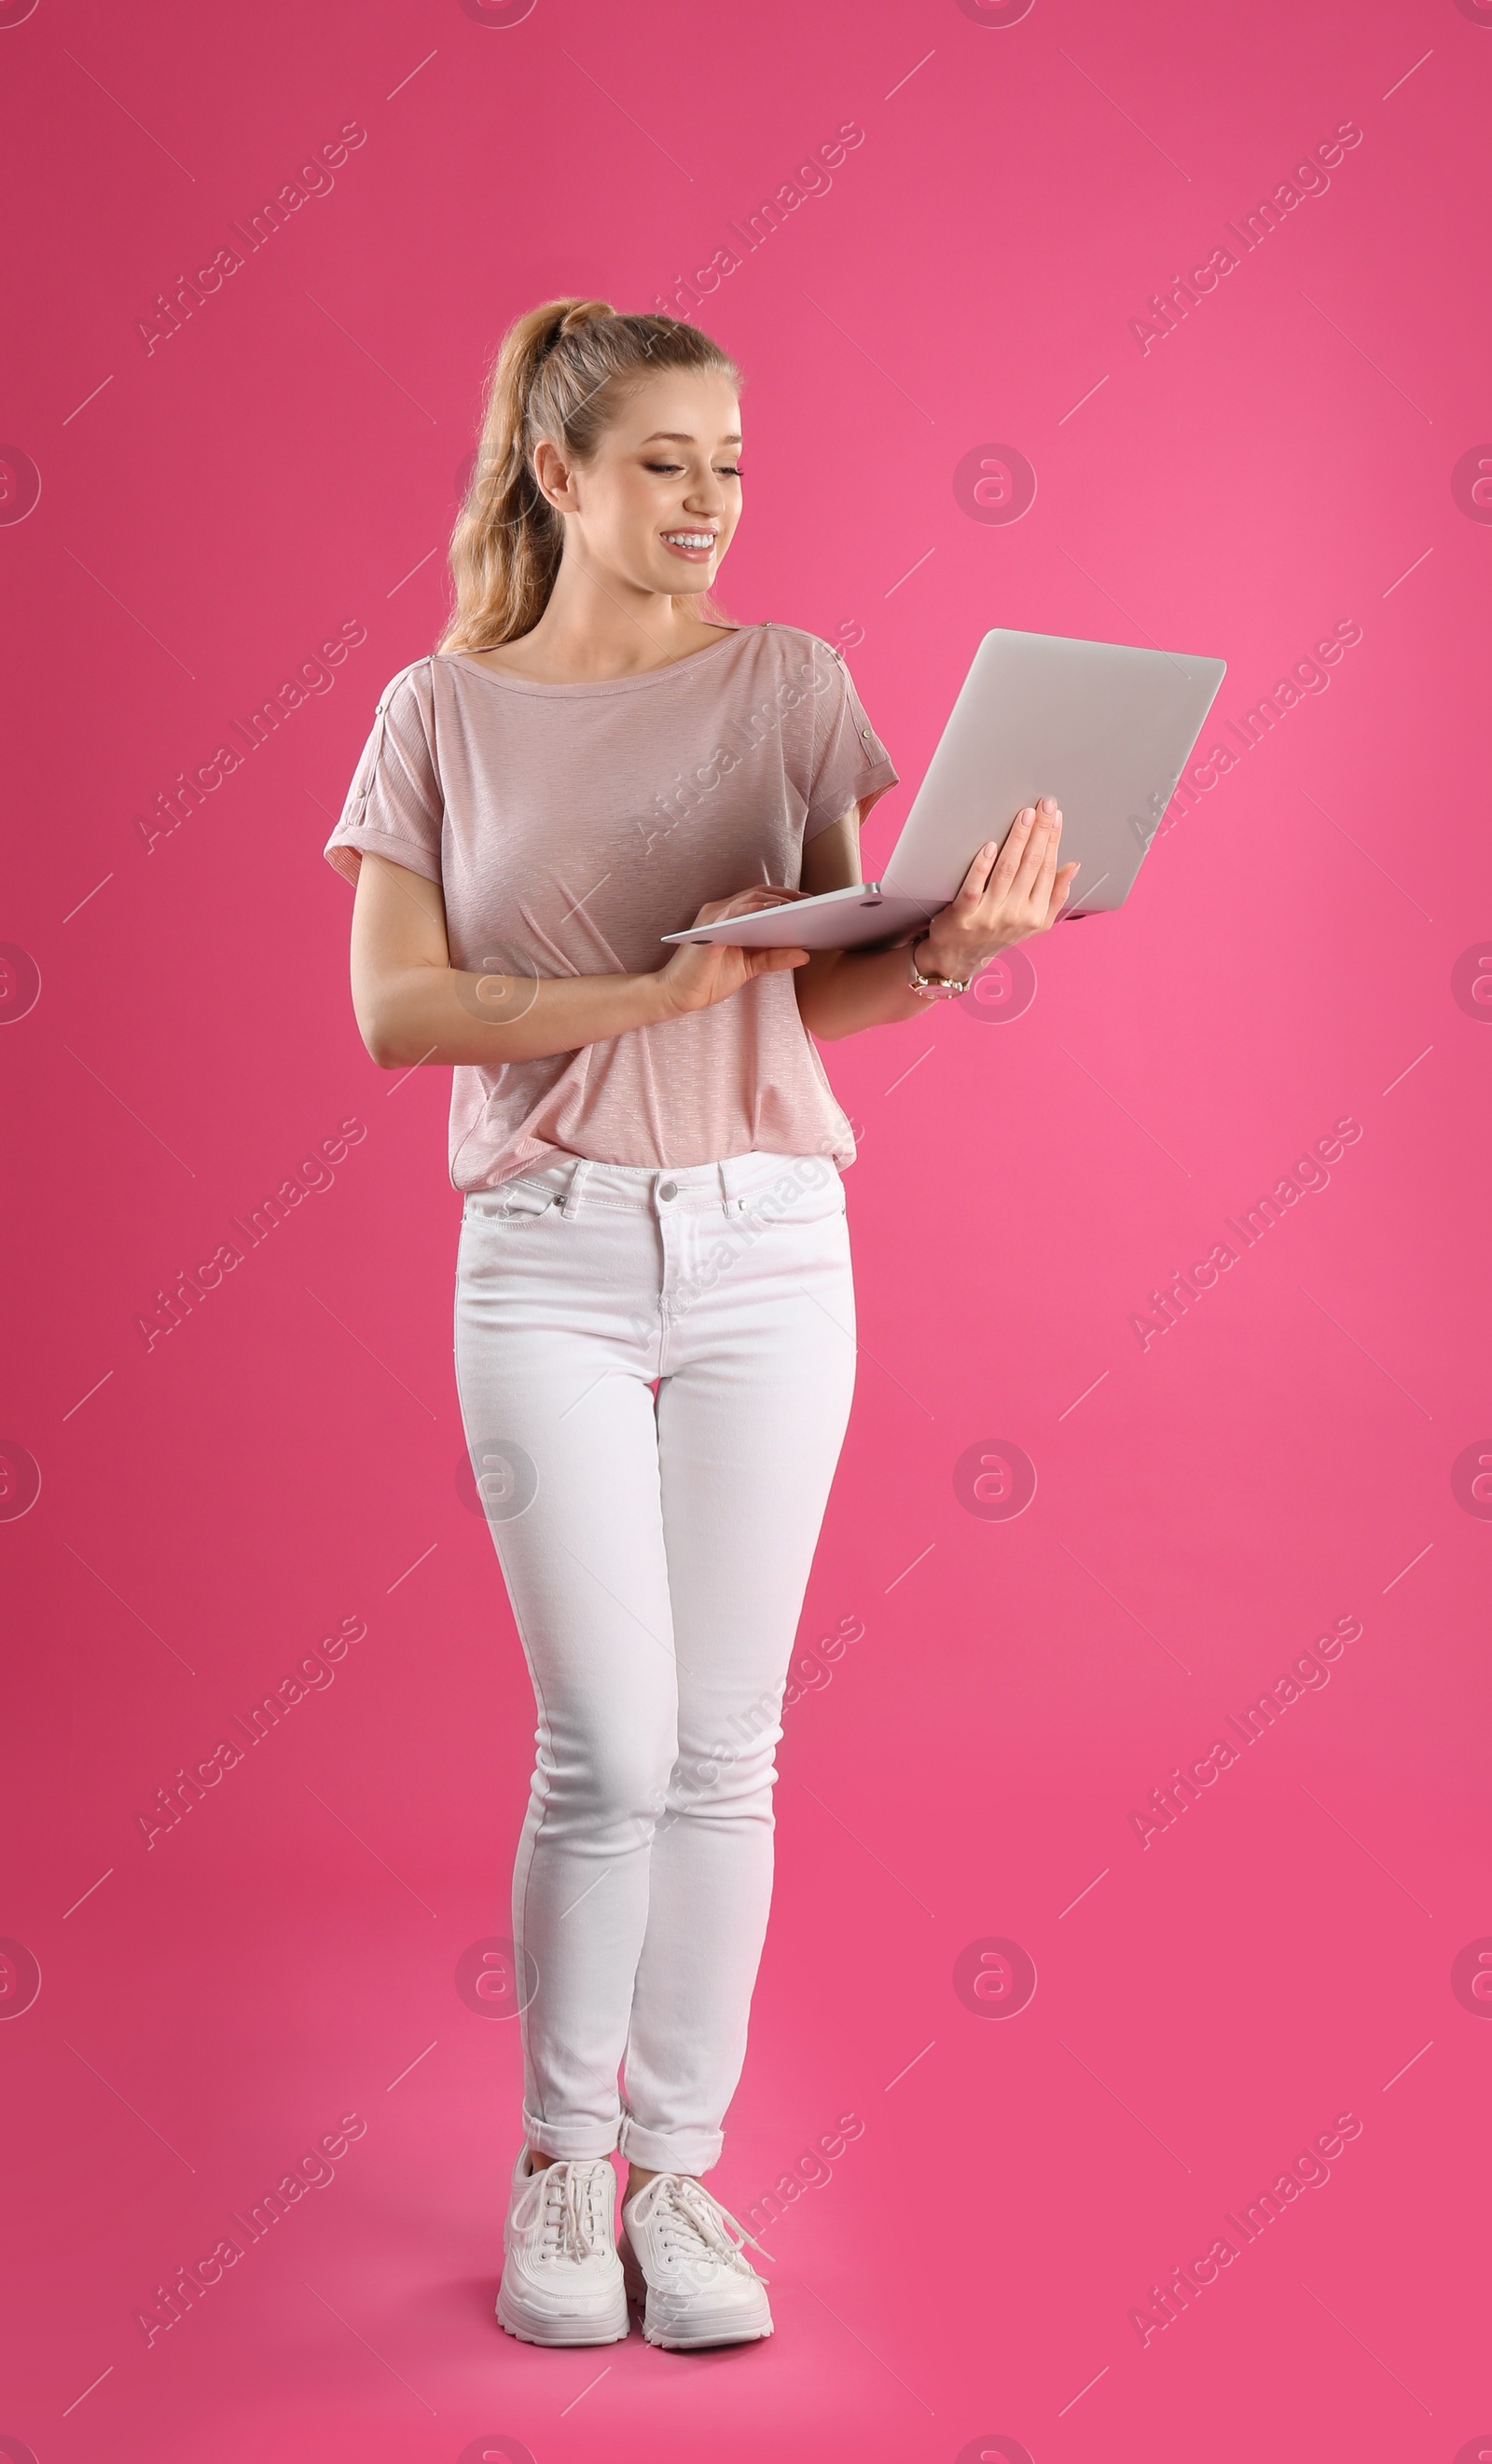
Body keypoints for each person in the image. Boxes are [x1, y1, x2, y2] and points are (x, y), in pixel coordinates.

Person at [323, 297, 1076, 2353]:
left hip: (765, 1241)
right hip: (544, 1253)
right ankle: (560, 2157)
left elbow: (819, 988)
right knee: (610, 1744)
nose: (708, 499)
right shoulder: (438, 709)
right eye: (664, 461)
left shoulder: (793, 681)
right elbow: (399, 1012)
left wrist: (956, 954)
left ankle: (679, 2179)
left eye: (729, 462)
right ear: (559, 472)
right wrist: (636, 999)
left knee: (728, 1747)